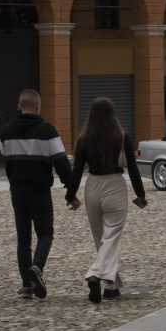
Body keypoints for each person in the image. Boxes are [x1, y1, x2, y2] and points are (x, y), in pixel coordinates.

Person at [0, 88, 77, 300]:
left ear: (19, 106)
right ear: (38, 107)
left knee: (23, 237)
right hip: (40, 190)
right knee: (45, 233)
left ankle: (26, 285)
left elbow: (6, 158)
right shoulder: (48, 131)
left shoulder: (5, 132)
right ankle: (37, 267)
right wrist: (71, 192)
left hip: (18, 191)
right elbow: (61, 163)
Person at [68, 97, 147, 304]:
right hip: (114, 185)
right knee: (111, 236)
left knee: (100, 238)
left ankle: (111, 286)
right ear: (113, 115)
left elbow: (77, 171)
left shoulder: (83, 139)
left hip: (92, 186)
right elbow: (133, 167)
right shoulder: (121, 137)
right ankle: (95, 274)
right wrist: (140, 194)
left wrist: (70, 195)